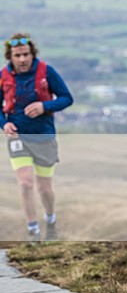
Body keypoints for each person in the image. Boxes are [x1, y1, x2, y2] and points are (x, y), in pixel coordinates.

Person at [1, 33, 73, 242]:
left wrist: (44, 106)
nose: (22, 59)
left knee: (44, 189)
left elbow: (67, 98)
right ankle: (33, 231)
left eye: (26, 54)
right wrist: (4, 124)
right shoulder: (3, 76)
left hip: (44, 137)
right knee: (24, 183)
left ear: (33, 54)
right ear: (10, 57)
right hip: (18, 137)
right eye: (17, 55)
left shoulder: (46, 72)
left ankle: (50, 220)